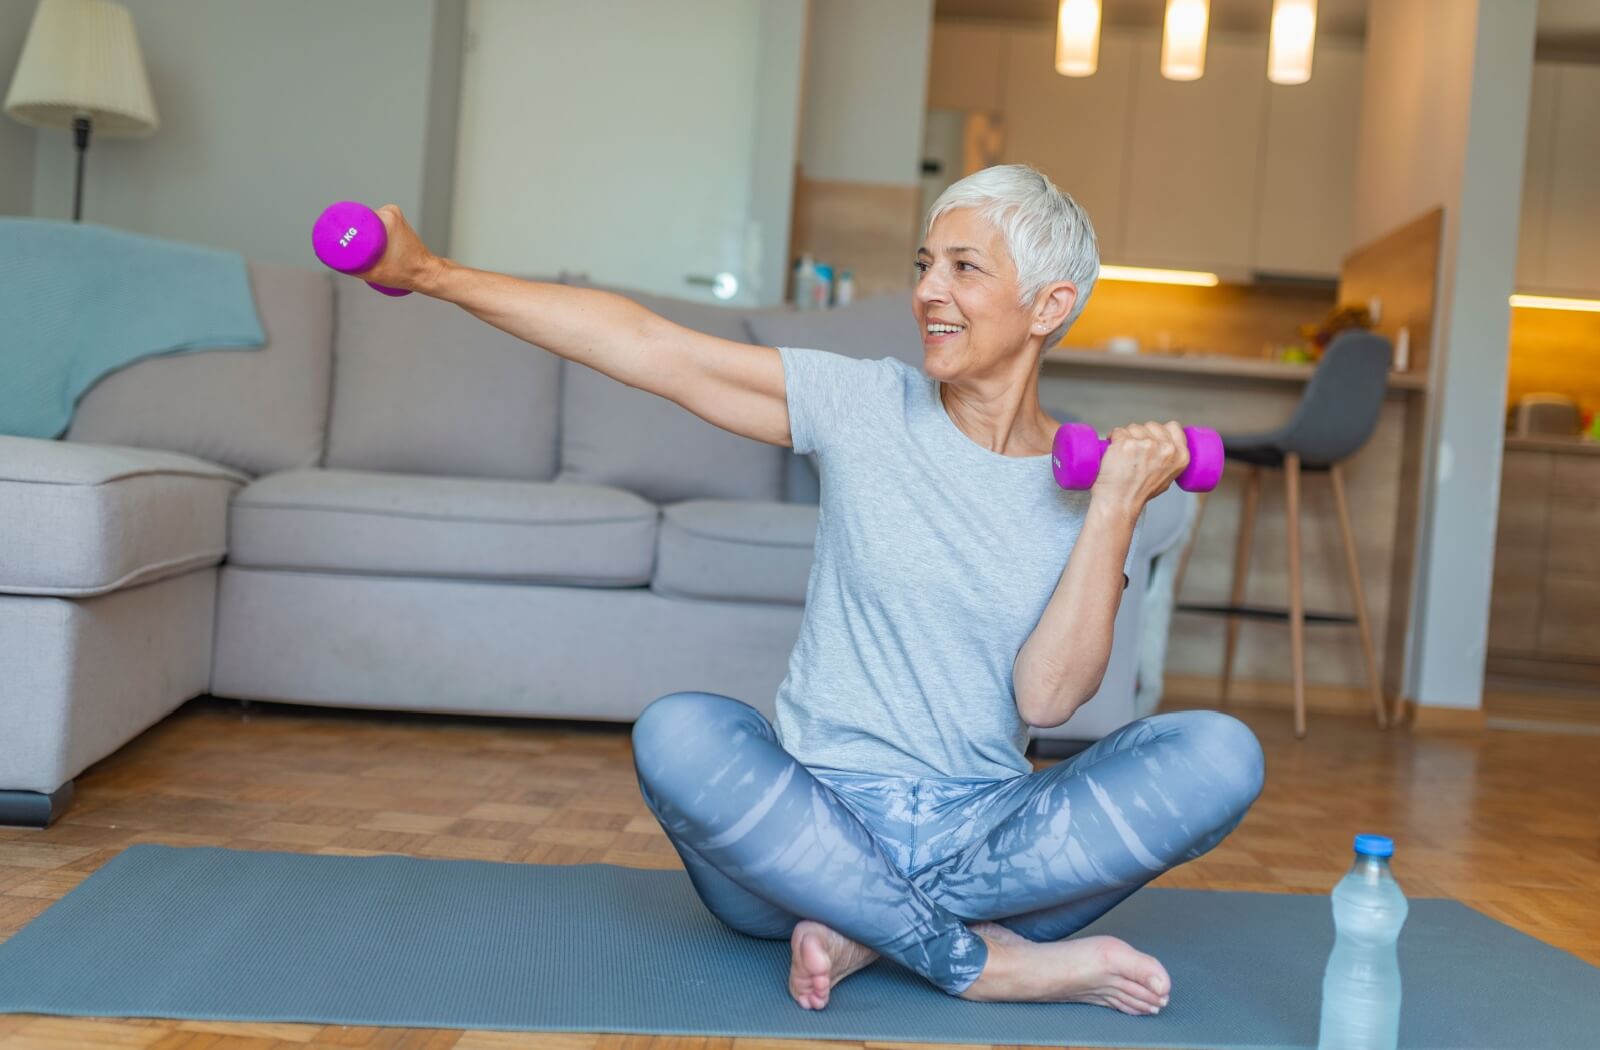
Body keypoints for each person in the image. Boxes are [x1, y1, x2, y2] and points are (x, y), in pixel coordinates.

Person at [353, 163, 1264, 1017]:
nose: (927, 292)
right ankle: (977, 962)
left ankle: (873, 929)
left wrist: (1111, 512)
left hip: (986, 833)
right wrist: (430, 272)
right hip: (805, 830)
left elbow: (1050, 698)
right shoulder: (865, 404)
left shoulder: (1092, 485)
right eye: (924, 264)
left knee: (1220, 753)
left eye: (963, 267)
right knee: (679, 731)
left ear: (1048, 304)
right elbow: (645, 347)